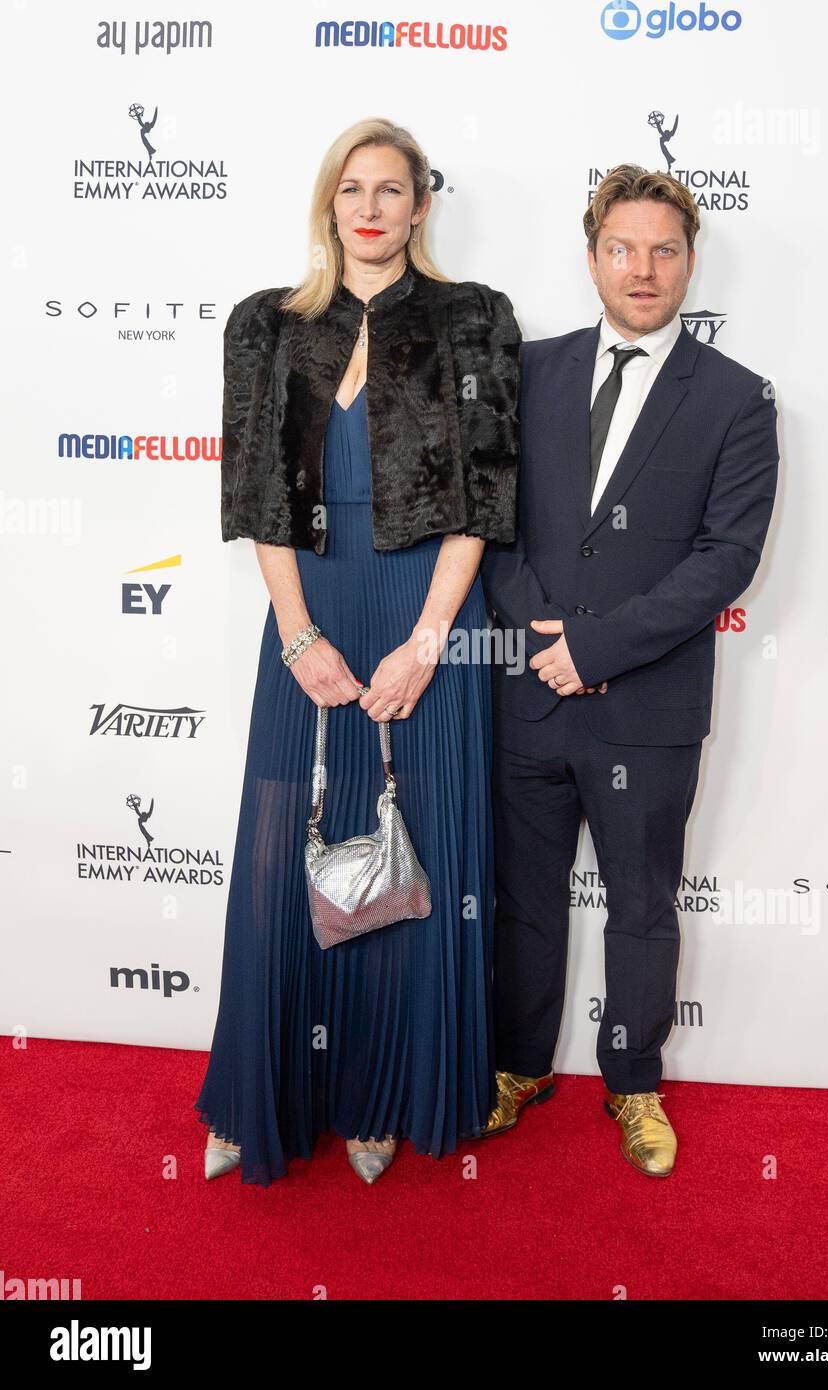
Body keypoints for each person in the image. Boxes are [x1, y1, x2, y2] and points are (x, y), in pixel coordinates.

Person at [194, 118, 520, 1185]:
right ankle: (265, 1093)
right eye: (352, 189)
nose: (371, 207)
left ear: (423, 205)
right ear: (328, 204)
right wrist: (298, 636)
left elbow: (482, 500)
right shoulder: (266, 326)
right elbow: (257, 501)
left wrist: (428, 642)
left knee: (412, 850)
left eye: (393, 189)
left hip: (429, 610)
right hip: (311, 611)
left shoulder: (473, 320)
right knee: (290, 843)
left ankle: (380, 1094)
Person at [478, 165, 779, 1178]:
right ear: (592, 255)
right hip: (525, 693)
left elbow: (724, 559)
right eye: (622, 247)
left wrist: (595, 649)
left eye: (663, 250)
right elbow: (493, 527)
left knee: (640, 901)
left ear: (689, 261)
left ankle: (633, 1081)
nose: (642, 269)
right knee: (522, 895)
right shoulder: (530, 371)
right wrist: (541, 638)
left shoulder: (738, 399)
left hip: (644, 706)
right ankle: (517, 1067)